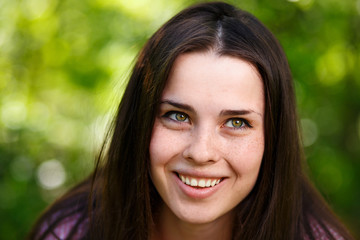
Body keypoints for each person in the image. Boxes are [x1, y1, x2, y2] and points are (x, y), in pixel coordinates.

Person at [27, 2, 354, 240]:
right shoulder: (70, 232)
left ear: (274, 137)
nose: (201, 152)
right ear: (139, 124)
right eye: (177, 116)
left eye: (237, 122)